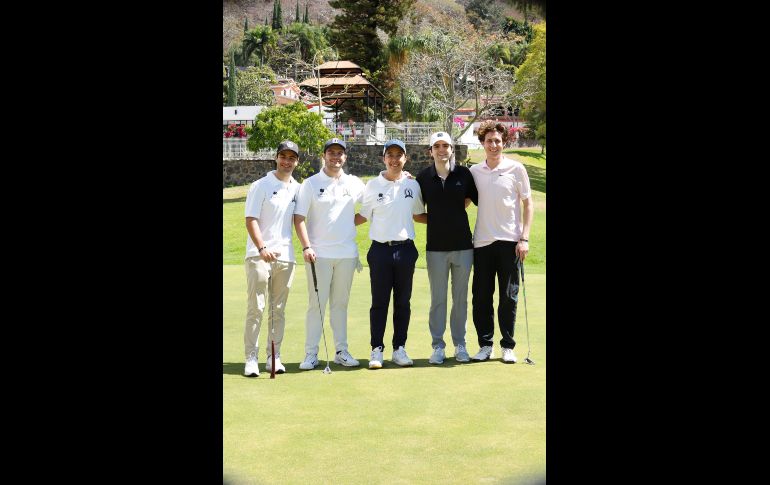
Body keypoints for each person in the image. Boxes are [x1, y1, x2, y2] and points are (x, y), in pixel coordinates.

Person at [293, 138, 366, 370]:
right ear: (324, 155)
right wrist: (306, 246)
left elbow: (369, 208)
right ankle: (310, 354)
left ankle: (341, 351)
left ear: (345, 157)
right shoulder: (311, 184)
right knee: (317, 306)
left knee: (340, 305)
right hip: (318, 255)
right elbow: (299, 218)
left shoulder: (354, 183)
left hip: (346, 254)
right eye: (331, 152)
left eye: (340, 153)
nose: (336, 157)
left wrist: (348, 224)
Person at [356, 139, 425, 369]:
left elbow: (418, 215)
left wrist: (449, 219)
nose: (394, 159)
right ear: (383, 158)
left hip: (406, 249)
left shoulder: (413, 185)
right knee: (379, 303)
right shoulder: (372, 186)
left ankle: (399, 348)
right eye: (390, 155)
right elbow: (363, 216)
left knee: (403, 302)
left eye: (399, 155)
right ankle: (377, 349)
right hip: (380, 251)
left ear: (405, 158)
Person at [469, 121, 534, 363]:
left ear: (503, 142)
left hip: (510, 243)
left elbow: (528, 205)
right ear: (482, 143)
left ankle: (508, 345)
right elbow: (460, 196)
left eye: (497, 140)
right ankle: (485, 345)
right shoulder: (474, 172)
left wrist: (524, 238)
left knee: (508, 297)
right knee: (482, 297)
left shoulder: (516, 169)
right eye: (489, 141)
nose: (494, 145)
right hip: (482, 243)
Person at [414, 131, 478, 364]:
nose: (442, 150)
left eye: (446, 146)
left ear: (452, 149)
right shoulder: (422, 178)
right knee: (438, 299)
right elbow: (417, 213)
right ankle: (438, 346)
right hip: (436, 250)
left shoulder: (464, 174)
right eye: (437, 146)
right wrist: (440, 218)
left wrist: (451, 213)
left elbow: (469, 199)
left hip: (463, 246)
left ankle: (460, 344)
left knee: (460, 298)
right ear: (430, 151)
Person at [242, 140, 301, 377]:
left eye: (292, 158)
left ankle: (273, 357)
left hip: (286, 257)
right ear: (276, 157)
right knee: (256, 307)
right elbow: (251, 219)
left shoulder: (298, 188)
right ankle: (251, 358)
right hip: (258, 255)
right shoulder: (261, 185)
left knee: (278, 310)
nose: (287, 161)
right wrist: (262, 247)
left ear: (297, 161)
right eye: (283, 156)